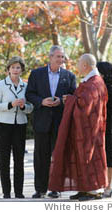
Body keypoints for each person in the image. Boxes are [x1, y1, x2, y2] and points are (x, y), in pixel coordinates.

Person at [48, 53, 108, 201]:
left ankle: (93, 190)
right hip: (84, 128)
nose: (77, 66)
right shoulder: (90, 81)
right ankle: (84, 189)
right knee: (81, 157)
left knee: (89, 157)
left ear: (86, 65)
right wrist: (72, 99)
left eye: (79, 63)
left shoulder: (94, 83)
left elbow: (85, 105)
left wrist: (70, 100)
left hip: (90, 130)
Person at [25, 45, 76, 198]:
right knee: (41, 156)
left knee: (58, 156)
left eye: (62, 57)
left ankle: (55, 188)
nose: (61, 59)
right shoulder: (36, 74)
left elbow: (73, 97)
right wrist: (42, 101)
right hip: (41, 121)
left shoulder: (69, 76)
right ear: (50, 57)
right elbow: (29, 94)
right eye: (58, 56)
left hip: (60, 122)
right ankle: (40, 189)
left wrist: (60, 101)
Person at [0, 56, 34, 199]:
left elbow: (30, 108)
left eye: (18, 67)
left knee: (19, 160)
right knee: (4, 159)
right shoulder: (1, 84)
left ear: (21, 70)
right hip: (3, 125)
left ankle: (19, 192)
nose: (15, 70)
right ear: (8, 69)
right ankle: (6, 192)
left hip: (20, 125)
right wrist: (10, 104)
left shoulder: (26, 86)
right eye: (13, 67)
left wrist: (23, 106)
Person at [97, 61, 112, 198]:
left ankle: (108, 186)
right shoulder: (96, 88)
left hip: (109, 126)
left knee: (109, 155)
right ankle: (99, 184)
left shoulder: (111, 90)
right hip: (97, 127)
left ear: (102, 74)